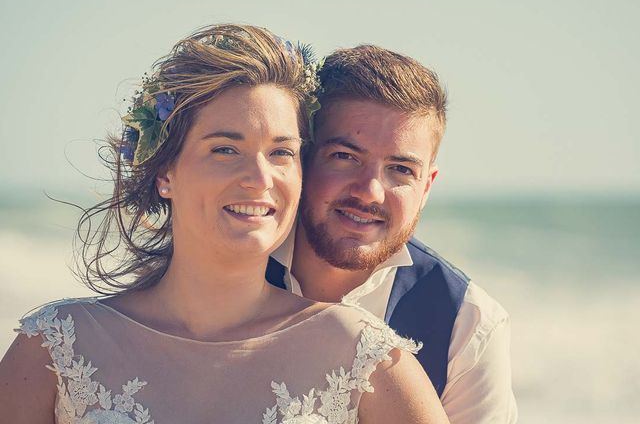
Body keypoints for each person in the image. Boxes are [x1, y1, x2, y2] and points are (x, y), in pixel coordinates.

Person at [0, 25, 450, 424]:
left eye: (281, 152)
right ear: (164, 172)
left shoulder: (367, 360)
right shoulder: (57, 349)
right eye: (225, 149)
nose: (259, 179)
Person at [266, 45, 518, 423]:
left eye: (400, 169)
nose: (369, 191)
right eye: (345, 157)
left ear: (426, 187)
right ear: (305, 155)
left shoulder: (469, 326)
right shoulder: (232, 266)